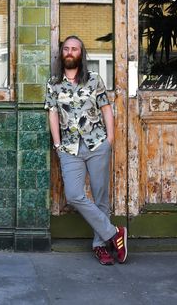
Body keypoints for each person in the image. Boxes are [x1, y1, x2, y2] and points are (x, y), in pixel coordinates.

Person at [45, 35, 128, 265]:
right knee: (74, 195)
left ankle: (100, 246)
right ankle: (114, 234)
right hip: (69, 148)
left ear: (82, 54)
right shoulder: (53, 84)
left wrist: (110, 138)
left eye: (75, 49)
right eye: (66, 49)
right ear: (62, 54)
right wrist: (57, 144)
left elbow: (106, 108)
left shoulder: (94, 79)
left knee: (101, 197)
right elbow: (52, 113)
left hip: (97, 144)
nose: (70, 52)